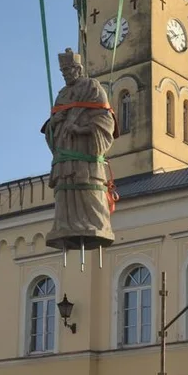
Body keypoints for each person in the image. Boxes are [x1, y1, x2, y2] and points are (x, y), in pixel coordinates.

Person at [41, 48, 120, 252]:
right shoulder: (62, 95)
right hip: (66, 158)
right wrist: (54, 123)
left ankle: (97, 225)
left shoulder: (92, 87)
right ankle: (64, 226)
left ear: (78, 69)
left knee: (89, 191)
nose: (66, 75)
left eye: (69, 70)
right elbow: (51, 127)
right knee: (66, 193)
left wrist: (82, 129)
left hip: (86, 156)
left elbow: (105, 119)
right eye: (63, 72)